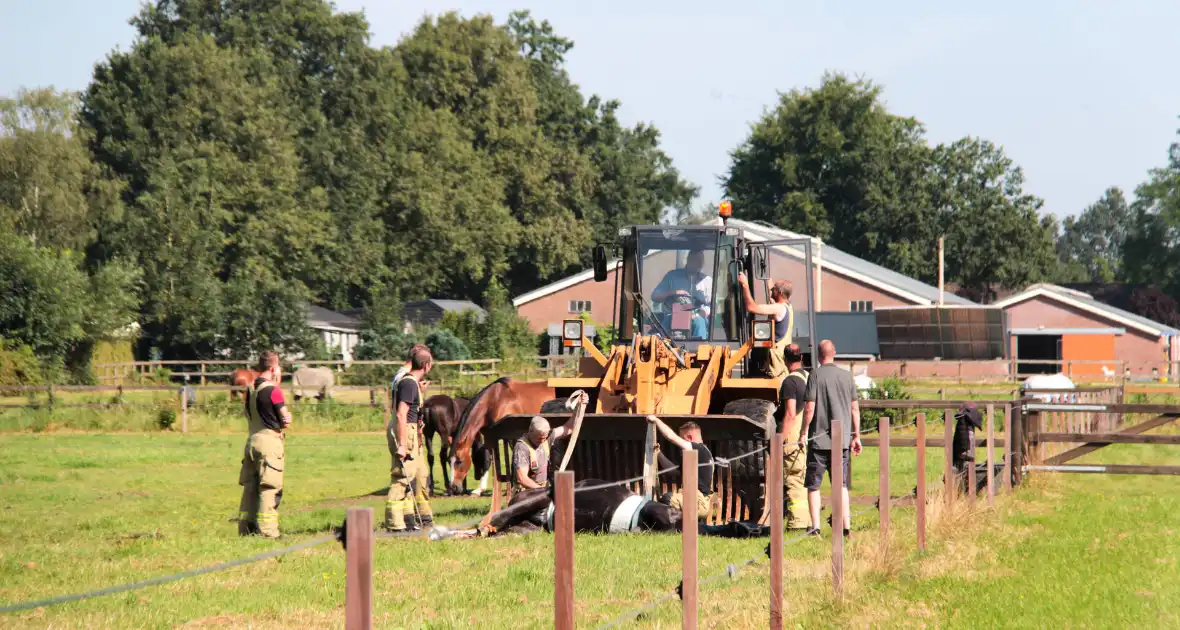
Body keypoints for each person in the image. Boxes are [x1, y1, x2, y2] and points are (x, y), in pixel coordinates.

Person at [800, 340, 862, 538]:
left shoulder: (815, 375)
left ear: (818, 355)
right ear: (834, 353)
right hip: (841, 441)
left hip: (819, 441)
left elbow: (809, 407)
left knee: (814, 486)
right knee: (841, 485)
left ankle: (815, 527)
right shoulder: (846, 376)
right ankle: (846, 527)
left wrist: (803, 433)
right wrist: (856, 436)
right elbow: (854, 409)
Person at [238, 351, 291, 538]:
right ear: (273, 368)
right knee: (269, 488)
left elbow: (248, 414)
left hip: (251, 441)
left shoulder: (250, 390)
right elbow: (285, 419)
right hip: (269, 443)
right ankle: (269, 532)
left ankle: (246, 529)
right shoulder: (273, 391)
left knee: (250, 488)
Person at [384, 347, 434, 532]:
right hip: (406, 432)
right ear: (426, 366)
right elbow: (401, 414)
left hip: (413, 432)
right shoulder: (408, 383)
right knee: (402, 478)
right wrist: (403, 445)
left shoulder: (412, 383)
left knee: (420, 476)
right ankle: (395, 525)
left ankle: (420, 519)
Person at [648, 416, 713, 520]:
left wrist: (656, 420)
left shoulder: (698, 448)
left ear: (690, 438)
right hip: (700, 501)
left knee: (667, 499)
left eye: (683, 438)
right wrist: (658, 453)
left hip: (698, 502)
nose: (681, 444)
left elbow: (671, 437)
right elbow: (672, 471)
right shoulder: (701, 454)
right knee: (667, 499)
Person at [775, 343, 810, 530]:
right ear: (801, 358)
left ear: (785, 360)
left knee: (793, 479)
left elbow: (789, 413)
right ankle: (808, 520)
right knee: (804, 479)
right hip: (807, 433)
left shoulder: (789, 382)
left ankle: (797, 523)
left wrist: (781, 439)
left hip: (793, 436)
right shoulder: (807, 377)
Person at [737, 272, 793, 380]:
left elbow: (751, 307)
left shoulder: (778, 309)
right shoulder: (788, 307)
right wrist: (766, 275)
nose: (771, 291)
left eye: (774, 289)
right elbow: (772, 298)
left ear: (780, 292)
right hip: (782, 365)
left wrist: (745, 284)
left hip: (777, 369)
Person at [651, 250, 712, 339]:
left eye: (701, 261)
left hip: (697, 316)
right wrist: (673, 293)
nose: (699, 264)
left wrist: (698, 314)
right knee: (661, 330)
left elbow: (712, 306)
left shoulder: (707, 281)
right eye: (696, 260)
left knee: (699, 323)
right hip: (673, 314)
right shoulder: (672, 276)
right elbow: (655, 296)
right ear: (689, 260)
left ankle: (700, 348)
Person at [952, 402, 983, 493]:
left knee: (962, 469)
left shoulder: (963, 421)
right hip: (966, 451)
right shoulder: (967, 421)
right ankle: (965, 491)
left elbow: (962, 437)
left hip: (963, 452)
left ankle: (963, 491)